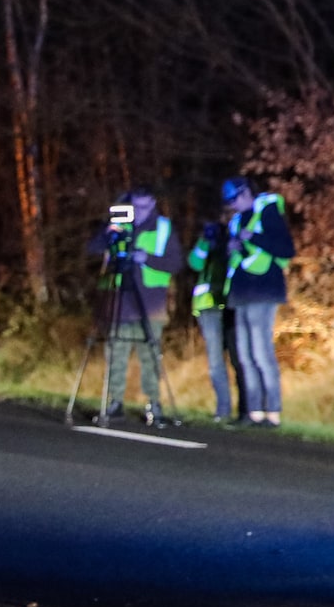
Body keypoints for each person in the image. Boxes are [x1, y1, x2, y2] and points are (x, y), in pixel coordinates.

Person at [85, 188, 184, 425]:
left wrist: (146, 258)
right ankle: (114, 402)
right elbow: (93, 248)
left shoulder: (162, 228)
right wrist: (108, 234)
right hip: (120, 301)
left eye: (145, 207)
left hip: (150, 303)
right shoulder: (121, 224)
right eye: (136, 206)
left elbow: (176, 263)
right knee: (115, 354)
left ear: (153, 205)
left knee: (149, 356)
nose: (139, 212)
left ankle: (153, 403)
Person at [221, 177, 294, 426]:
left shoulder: (268, 212)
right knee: (245, 354)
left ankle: (272, 413)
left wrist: (254, 237)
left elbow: (286, 249)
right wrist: (232, 248)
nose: (233, 205)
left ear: (245, 193)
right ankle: (254, 413)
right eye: (229, 202)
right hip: (241, 293)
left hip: (264, 291)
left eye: (235, 199)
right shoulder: (236, 221)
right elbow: (236, 259)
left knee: (262, 353)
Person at [184, 216, 238, 420]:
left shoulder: (237, 237)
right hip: (209, 305)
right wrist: (205, 240)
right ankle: (223, 409)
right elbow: (194, 263)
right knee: (216, 361)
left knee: (238, 359)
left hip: (231, 304)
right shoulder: (207, 241)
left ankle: (246, 410)